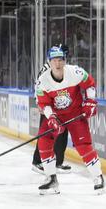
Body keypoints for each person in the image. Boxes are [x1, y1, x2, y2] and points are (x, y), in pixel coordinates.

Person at [36, 46, 104, 195]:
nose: (58, 64)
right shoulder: (43, 81)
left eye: (60, 60)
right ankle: (51, 179)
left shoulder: (75, 72)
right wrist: (52, 118)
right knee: (44, 140)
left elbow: (89, 84)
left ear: (65, 61)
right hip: (57, 115)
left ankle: (98, 177)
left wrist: (91, 101)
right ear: (49, 62)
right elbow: (43, 103)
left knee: (83, 145)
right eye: (54, 60)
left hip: (75, 114)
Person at [31, 43, 71, 175]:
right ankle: (37, 162)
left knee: (63, 132)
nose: (63, 59)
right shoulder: (47, 69)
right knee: (46, 134)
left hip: (61, 106)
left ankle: (58, 162)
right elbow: (38, 87)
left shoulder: (62, 69)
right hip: (48, 106)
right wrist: (40, 103)